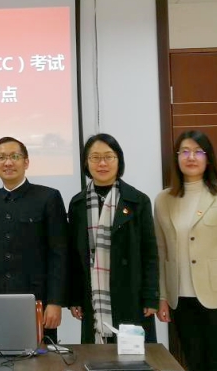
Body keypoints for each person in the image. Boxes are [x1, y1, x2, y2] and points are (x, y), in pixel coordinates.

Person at [154, 130, 217, 371]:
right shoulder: (163, 200)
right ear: (177, 158)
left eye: (198, 152)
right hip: (180, 300)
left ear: (208, 158)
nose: (191, 157)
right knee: (193, 363)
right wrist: (162, 297)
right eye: (184, 151)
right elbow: (160, 253)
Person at [68, 133, 158, 344]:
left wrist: (151, 296)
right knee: (96, 357)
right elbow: (74, 257)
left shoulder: (138, 201)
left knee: (133, 357)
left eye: (109, 157)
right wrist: (74, 298)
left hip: (132, 294)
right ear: (86, 162)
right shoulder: (78, 204)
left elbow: (150, 253)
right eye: (95, 157)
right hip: (92, 298)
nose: (102, 163)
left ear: (119, 160)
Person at [0, 136, 68, 345]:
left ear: (26, 162)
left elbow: (59, 253)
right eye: (2, 158)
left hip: (37, 301)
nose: (8, 163)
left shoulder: (48, 198)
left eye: (15, 157)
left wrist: (55, 302)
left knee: (40, 358)